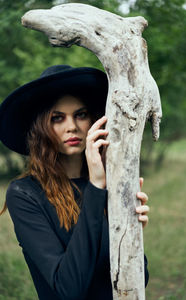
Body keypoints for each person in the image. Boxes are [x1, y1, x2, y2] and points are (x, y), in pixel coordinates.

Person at [0, 65, 149, 300]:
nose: (72, 127)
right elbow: (68, 289)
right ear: (41, 127)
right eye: (57, 118)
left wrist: (131, 234)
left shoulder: (114, 182)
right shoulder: (24, 193)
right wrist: (97, 187)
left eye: (80, 115)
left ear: (93, 121)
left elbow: (141, 277)